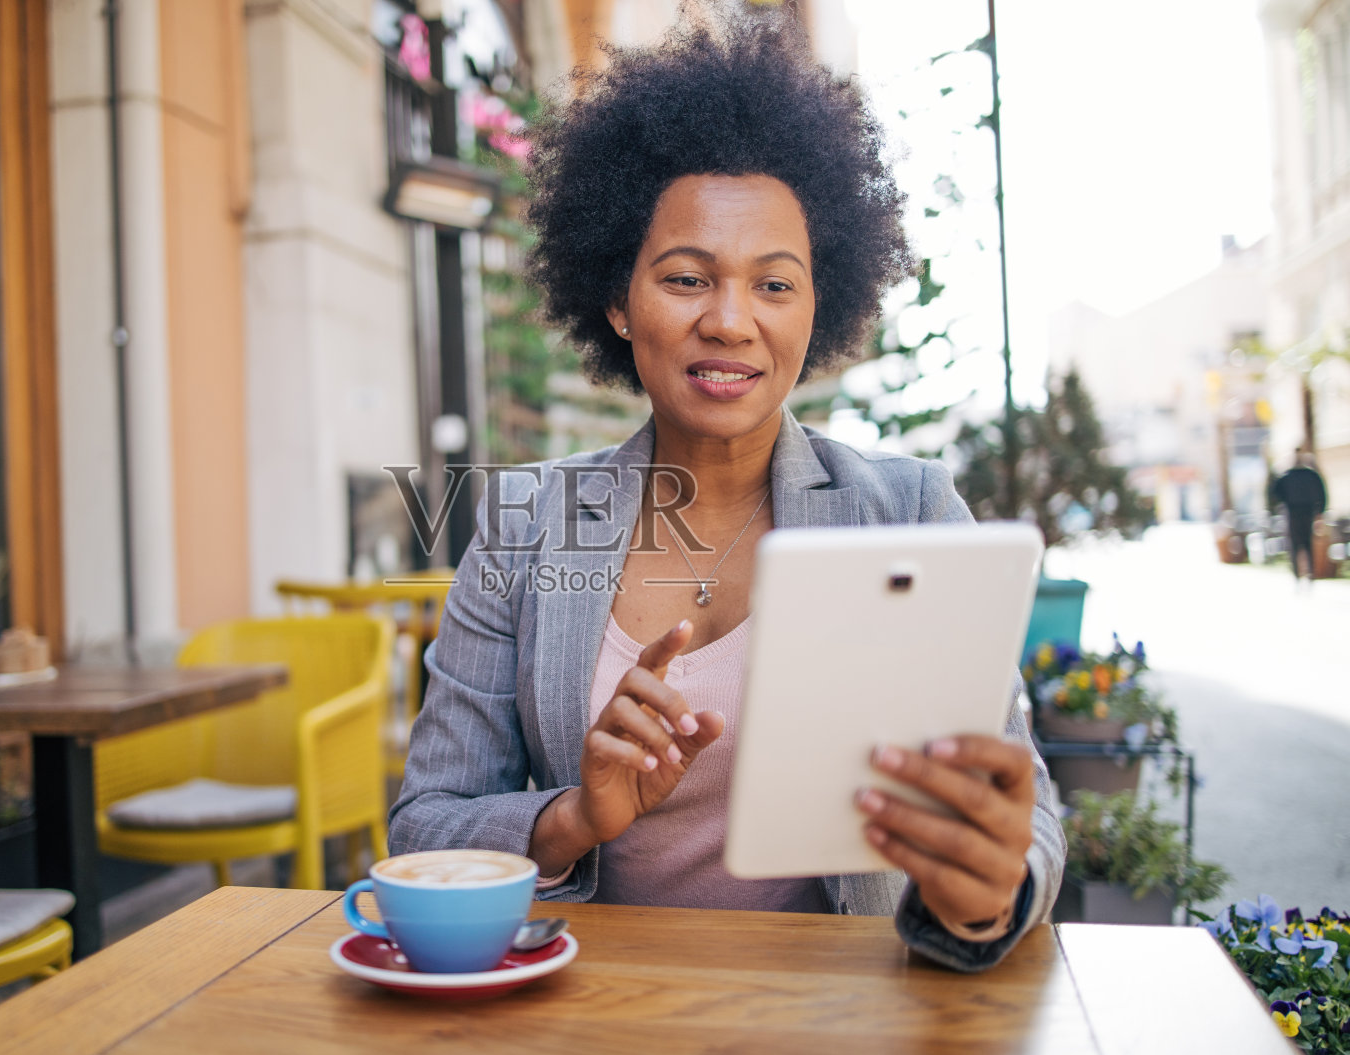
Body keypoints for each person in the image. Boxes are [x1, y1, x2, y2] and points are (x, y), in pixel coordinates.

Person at [388, 7, 1063, 974]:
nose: (732, 321)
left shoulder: (910, 509)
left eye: (776, 285)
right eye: (687, 277)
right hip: (589, 1012)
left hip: (844, 1008)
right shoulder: (526, 531)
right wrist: (572, 814)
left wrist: (989, 890)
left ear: (819, 305)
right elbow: (424, 828)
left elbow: (1023, 812)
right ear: (618, 301)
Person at [1272, 450, 1329, 581]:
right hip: (1296, 512)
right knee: (1299, 544)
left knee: (1303, 544)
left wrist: (1320, 512)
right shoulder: (1295, 475)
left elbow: (1275, 494)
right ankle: (1300, 575)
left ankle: (1308, 574)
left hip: (1302, 512)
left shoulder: (1297, 475)